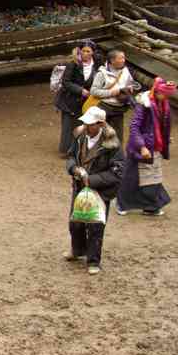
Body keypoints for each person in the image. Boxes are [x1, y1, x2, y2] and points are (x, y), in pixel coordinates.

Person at [65, 106, 124, 275]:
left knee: (96, 226)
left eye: (90, 124)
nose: (86, 127)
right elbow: (70, 156)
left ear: (100, 124)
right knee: (75, 222)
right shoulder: (79, 137)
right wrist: (74, 169)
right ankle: (77, 251)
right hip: (79, 187)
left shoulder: (112, 145)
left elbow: (118, 171)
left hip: (100, 191)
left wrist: (91, 180)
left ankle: (93, 261)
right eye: (85, 123)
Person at [117, 77, 177, 217]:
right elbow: (134, 127)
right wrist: (142, 146)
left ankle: (151, 206)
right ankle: (122, 203)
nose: (167, 98)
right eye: (165, 95)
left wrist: (164, 138)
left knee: (153, 176)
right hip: (141, 147)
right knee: (132, 177)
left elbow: (161, 125)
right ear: (156, 92)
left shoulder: (163, 104)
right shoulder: (144, 105)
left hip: (154, 146)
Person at [55, 40, 98, 153]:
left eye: (88, 51)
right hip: (70, 99)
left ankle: (79, 149)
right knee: (68, 125)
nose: (85, 53)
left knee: (82, 124)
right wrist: (80, 90)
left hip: (86, 101)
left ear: (92, 53)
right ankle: (65, 150)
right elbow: (66, 82)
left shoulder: (96, 65)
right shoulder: (73, 64)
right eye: (83, 51)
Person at [89, 49, 136, 145]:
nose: (123, 60)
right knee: (103, 134)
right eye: (121, 58)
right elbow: (93, 91)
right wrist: (112, 92)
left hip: (119, 108)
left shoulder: (125, 71)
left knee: (118, 135)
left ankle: (117, 158)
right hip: (104, 108)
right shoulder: (102, 74)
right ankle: (100, 157)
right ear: (112, 60)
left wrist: (130, 88)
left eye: (124, 57)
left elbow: (131, 83)